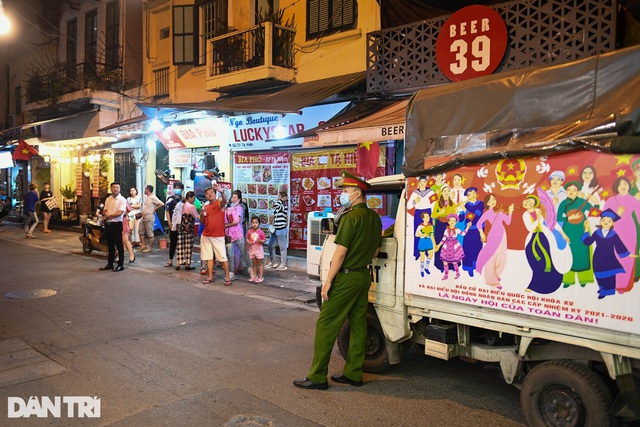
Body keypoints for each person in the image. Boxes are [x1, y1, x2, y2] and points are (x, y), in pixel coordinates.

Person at [294, 170, 382, 390]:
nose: (343, 194)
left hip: (346, 278)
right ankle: (353, 373)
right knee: (358, 325)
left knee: (326, 324)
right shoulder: (374, 218)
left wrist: (328, 282)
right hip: (363, 276)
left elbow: (340, 253)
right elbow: (375, 250)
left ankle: (317, 377)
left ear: (358, 193)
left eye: (346, 190)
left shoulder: (351, 217)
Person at [200, 185, 232, 285]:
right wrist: (201, 215)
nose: (210, 195)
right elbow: (202, 222)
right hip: (206, 235)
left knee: (222, 257)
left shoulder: (219, 202)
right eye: (207, 194)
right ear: (205, 196)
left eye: (211, 193)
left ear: (215, 194)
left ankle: (227, 278)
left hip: (218, 235)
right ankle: (210, 277)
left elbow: (224, 201)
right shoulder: (206, 207)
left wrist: (222, 192)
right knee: (208, 257)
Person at [100, 182, 127, 272]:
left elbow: (120, 212)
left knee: (119, 245)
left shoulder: (122, 199)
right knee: (110, 245)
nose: (116, 189)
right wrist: (105, 214)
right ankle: (110, 263)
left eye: (117, 187)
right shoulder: (108, 199)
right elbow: (104, 210)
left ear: (119, 189)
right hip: (108, 224)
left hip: (117, 224)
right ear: (111, 189)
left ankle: (120, 265)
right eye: (114, 187)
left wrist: (109, 216)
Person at [226, 190, 252, 279]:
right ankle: (231, 272)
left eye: (235, 197)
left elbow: (237, 221)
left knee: (243, 253)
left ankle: (251, 270)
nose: (233, 199)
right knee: (230, 254)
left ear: (239, 199)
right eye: (232, 197)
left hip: (238, 233)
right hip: (229, 234)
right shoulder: (228, 207)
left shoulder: (240, 207)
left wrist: (226, 225)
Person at [174, 191, 198, 270]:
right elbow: (196, 216)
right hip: (189, 228)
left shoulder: (181, 205)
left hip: (181, 227)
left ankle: (178, 263)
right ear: (190, 198)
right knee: (188, 246)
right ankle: (187, 264)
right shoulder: (192, 207)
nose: (194, 200)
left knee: (180, 245)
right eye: (193, 198)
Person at [266, 190, 289, 270]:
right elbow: (274, 206)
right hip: (275, 229)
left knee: (282, 247)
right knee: (270, 245)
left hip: (281, 229)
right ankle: (273, 262)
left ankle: (283, 264)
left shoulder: (284, 206)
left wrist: (282, 200)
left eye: (279, 196)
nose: (277, 198)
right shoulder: (279, 205)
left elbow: (276, 205)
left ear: (283, 197)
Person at [138, 185, 164, 252]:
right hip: (143, 217)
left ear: (148, 190)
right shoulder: (147, 197)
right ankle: (143, 246)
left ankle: (150, 248)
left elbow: (161, 204)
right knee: (140, 232)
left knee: (150, 233)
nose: (144, 190)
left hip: (149, 217)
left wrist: (154, 209)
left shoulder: (153, 197)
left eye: (145, 189)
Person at [164, 182, 184, 268]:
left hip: (182, 225)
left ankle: (180, 261)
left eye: (178, 188)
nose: (177, 189)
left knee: (181, 243)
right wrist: (169, 222)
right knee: (173, 242)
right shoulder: (170, 199)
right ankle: (170, 260)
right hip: (173, 224)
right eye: (175, 187)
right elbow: (167, 211)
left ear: (182, 189)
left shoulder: (184, 199)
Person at [246, 216, 266, 283]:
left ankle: (261, 277)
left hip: (258, 249)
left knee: (260, 263)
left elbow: (264, 240)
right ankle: (254, 276)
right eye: (253, 223)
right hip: (251, 249)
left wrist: (260, 241)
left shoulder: (261, 232)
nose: (254, 224)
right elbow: (247, 239)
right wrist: (249, 242)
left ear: (259, 223)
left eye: (256, 223)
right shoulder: (249, 231)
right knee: (254, 263)